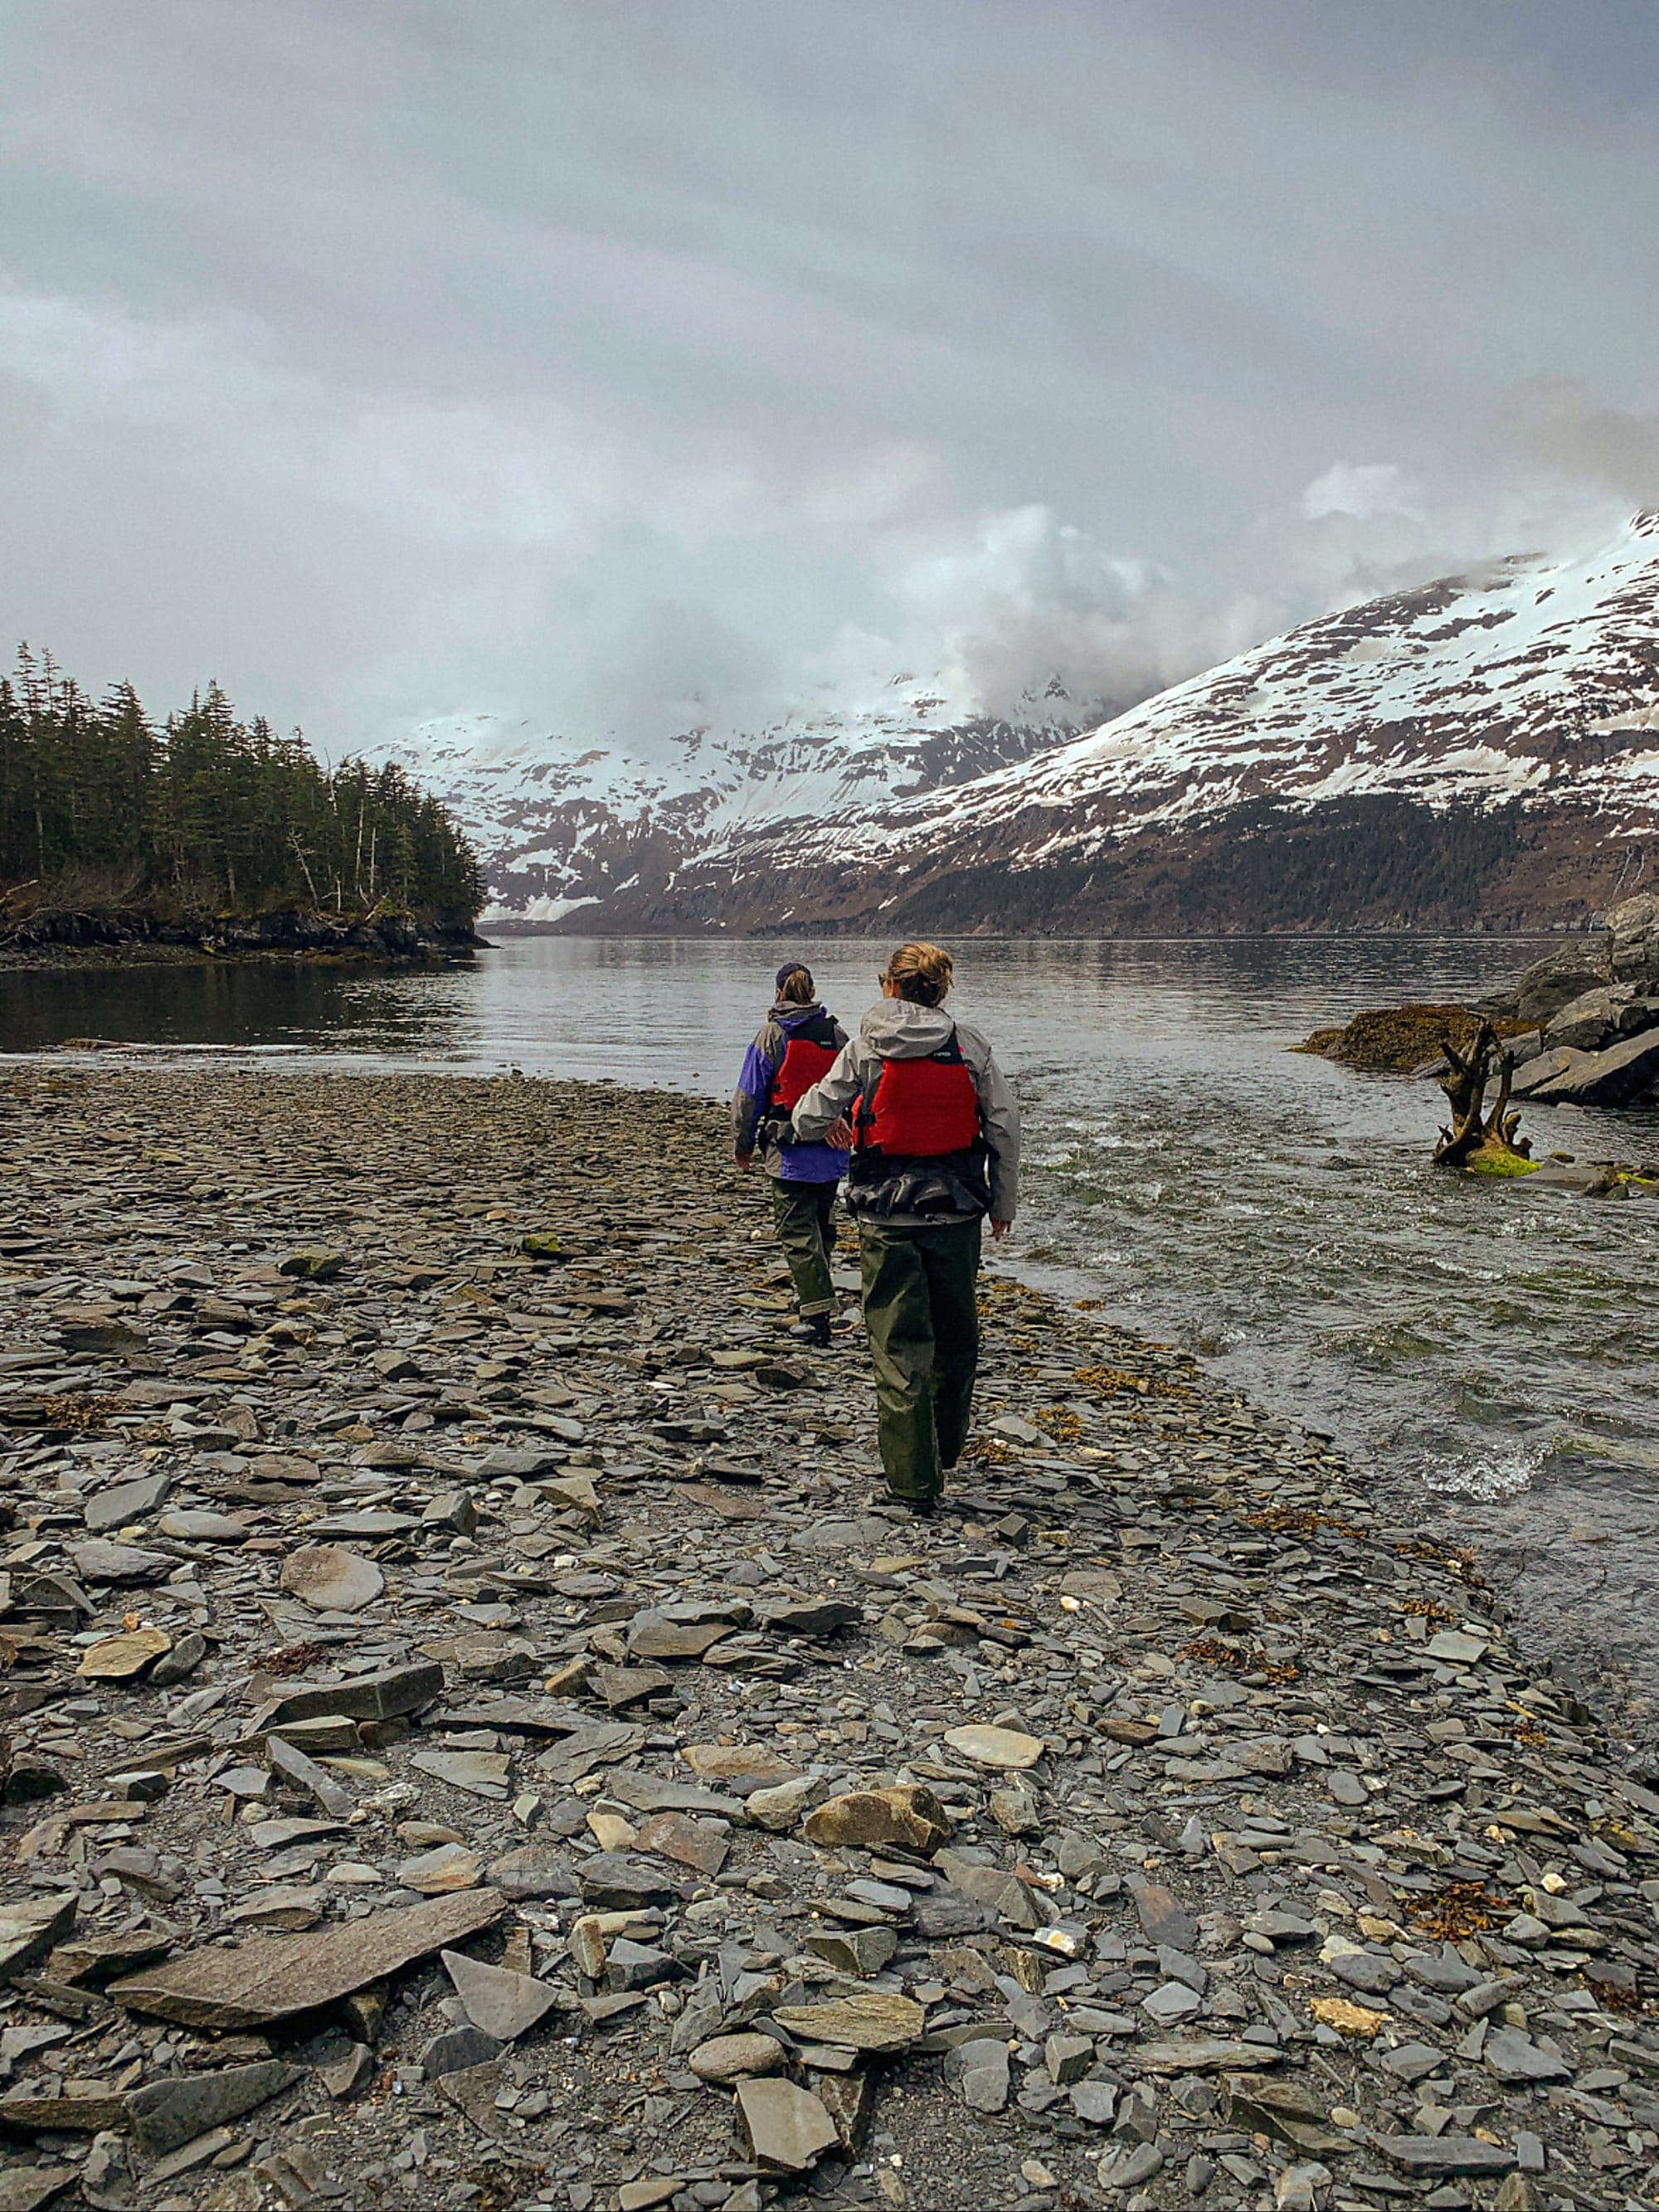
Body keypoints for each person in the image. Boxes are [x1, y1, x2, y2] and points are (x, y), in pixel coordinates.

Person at [791, 941, 1019, 1514]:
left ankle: (914, 1480)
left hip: (885, 1217)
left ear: (888, 985)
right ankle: (942, 1450)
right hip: (957, 1213)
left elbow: (807, 1116)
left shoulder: (866, 1045)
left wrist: (834, 1122)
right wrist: (1003, 1204)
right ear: (940, 990)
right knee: (956, 1338)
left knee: (898, 1345)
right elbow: (1004, 1127)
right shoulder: (968, 1045)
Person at [732, 962, 851, 1348]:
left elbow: (748, 1096)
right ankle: (813, 1302)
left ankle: (817, 1317)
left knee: (798, 1233)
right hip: (831, 1154)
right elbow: (858, 1086)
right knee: (822, 1231)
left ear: (779, 993)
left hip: (789, 1153)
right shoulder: (836, 1035)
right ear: (813, 992)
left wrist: (743, 1143)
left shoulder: (772, 1035)